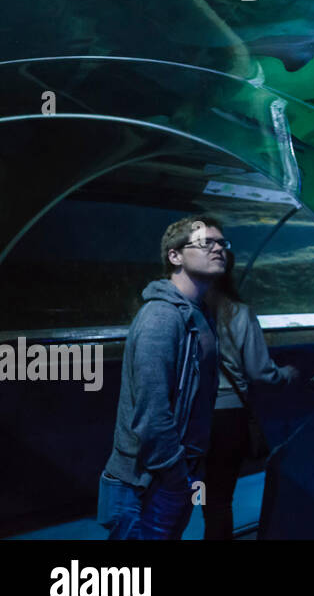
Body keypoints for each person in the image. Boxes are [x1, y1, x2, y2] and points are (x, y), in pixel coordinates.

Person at [98, 215, 226, 539]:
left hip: (169, 478)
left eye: (222, 243)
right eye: (205, 243)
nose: (218, 249)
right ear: (175, 256)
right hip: (144, 486)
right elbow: (152, 414)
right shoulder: (161, 317)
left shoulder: (197, 313)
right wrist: (176, 477)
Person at [202, 254, 299, 539]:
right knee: (220, 498)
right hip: (228, 417)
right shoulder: (239, 313)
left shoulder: (185, 313)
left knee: (194, 494)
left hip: (191, 415)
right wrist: (286, 375)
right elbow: (260, 372)